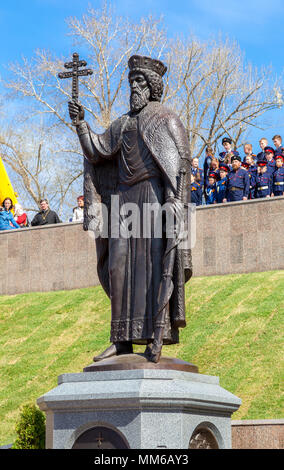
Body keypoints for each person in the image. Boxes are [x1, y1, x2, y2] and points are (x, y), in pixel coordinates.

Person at [68, 54, 192, 364]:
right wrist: (82, 125)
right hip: (123, 201)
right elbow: (97, 151)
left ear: (152, 87)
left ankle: (156, 334)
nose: (133, 88)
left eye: (139, 82)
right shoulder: (122, 123)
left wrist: (174, 204)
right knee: (117, 266)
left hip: (152, 198)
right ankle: (120, 339)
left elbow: (179, 167)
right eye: (131, 82)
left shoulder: (165, 119)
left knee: (153, 268)